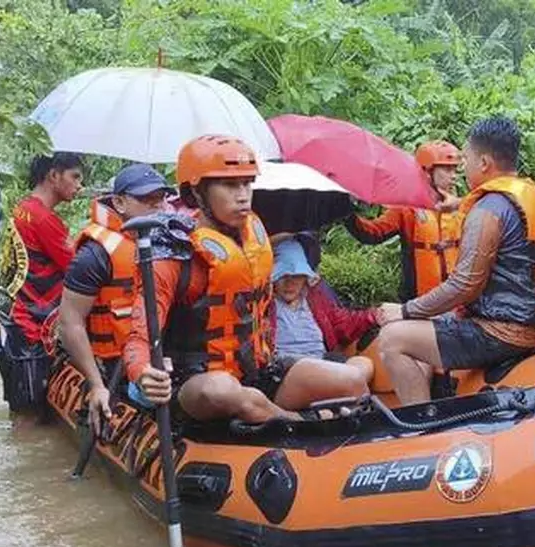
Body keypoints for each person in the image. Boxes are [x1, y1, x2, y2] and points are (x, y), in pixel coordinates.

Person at [126, 134, 369, 423]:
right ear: (196, 194)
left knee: (351, 379)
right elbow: (138, 338)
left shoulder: (254, 233)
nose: (242, 195)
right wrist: (143, 372)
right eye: (229, 185)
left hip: (258, 370)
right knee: (222, 390)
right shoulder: (175, 256)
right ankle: (293, 422)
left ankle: (270, 415)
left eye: (247, 183)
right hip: (198, 382)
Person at [373, 117, 535, 405]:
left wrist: (406, 310)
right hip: (527, 326)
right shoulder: (527, 194)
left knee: (392, 339)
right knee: (428, 319)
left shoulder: (488, 209)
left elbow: (465, 285)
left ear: (484, 162)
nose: (462, 167)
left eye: (466, 158)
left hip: (499, 332)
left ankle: (420, 426)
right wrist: (459, 204)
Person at [57, 164, 171, 423]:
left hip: (152, 353)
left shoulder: (170, 242)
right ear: (119, 202)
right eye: (146, 199)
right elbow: (69, 322)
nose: (158, 207)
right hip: (113, 363)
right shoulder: (95, 255)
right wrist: (97, 385)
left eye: (161, 198)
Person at [0, 151, 85, 423]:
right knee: (29, 421)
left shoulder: (24, 209)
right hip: (29, 330)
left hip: (8, 323)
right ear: (53, 176)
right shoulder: (44, 219)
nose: (79, 185)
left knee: (21, 412)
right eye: (74, 176)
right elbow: (78, 270)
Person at [345, 140, 466, 301]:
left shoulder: (462, 207)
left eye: (454, 170)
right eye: (447, 169)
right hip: (419, 302)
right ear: (427, 171)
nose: (453, 176)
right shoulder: (407, 209)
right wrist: (346, 211)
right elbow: (371, 233)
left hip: (456, 302)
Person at [270, 238, 377, 382]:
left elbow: (342, 322)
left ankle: (343, 387)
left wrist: (375, 315)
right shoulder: (263, 304)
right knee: (335, 375)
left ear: (305, 278)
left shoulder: (314, 298)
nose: (290, 282)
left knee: (364, 364)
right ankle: (343, 388)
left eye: (297, 275)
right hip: (287, 367)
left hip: (322, 360)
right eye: (283, 276)